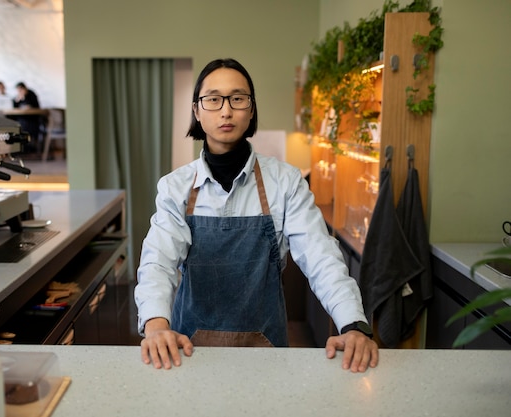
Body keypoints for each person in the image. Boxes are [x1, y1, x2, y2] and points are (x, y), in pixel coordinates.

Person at [135, 58, 379, 372]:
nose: (226, 110)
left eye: (238, 99)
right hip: (187, 353)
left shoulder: (286, 182)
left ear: (251, 110)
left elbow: (321, 257)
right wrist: (156, 326)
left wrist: (353, 325)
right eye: (213, 99)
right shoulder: (175, 188)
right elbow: (158, 260)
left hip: (268, 354)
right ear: (197, 110)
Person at [12, 82, 41, 154]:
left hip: (32, 119)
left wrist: (25, 99)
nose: (20, 92)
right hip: (21, 118)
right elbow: (14, 108)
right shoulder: (17, 97)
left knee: (25, 126)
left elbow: (36, 106)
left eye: (21, 90)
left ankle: (28, 148)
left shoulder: (31, 95)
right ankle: (21, 149)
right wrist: (17, 100)